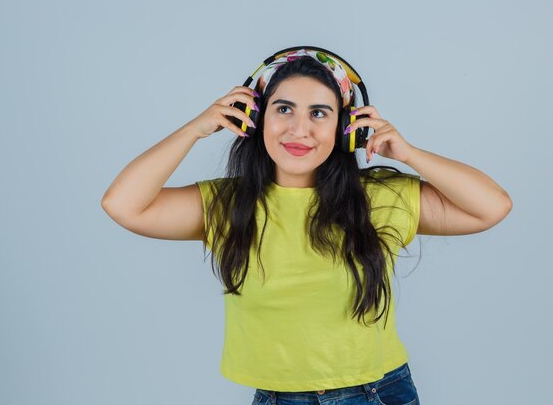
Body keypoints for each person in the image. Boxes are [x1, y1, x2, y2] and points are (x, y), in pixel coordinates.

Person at [101, 48, 512, 405]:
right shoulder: (229, 205)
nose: (299, 129)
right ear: (256, 119)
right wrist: (195, 128)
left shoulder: (380, 197)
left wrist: (408, 152)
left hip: (373, 394)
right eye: (283, 109)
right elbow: (122, 205)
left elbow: (491, 207)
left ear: (346, 127)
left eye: (319, 113)